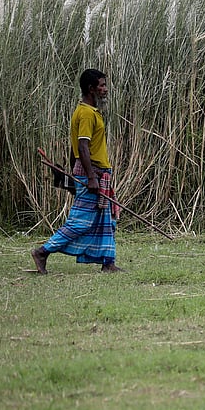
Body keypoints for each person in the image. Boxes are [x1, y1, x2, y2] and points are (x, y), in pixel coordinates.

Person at [31, 69, 122, 274]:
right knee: (81, 222)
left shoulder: (88, 112)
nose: (105, 90)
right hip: (93, 174)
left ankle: (108, 262)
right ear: (91, 89)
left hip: (96, 173)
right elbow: (82, 147)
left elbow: (76, 149)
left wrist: (73, 174)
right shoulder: (87, 114)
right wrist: (89, 177)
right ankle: (43, 252)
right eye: (102, 86)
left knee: (105, 220)